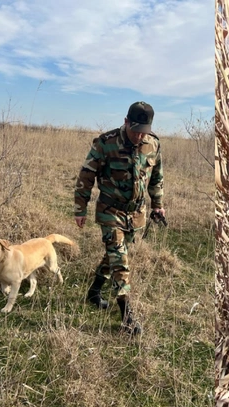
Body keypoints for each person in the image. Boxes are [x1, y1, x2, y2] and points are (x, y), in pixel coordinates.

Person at [74, 101, 165, 335]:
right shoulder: (105, 143)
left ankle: (94, 291)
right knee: (120, 261)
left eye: (143, 130)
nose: (139, 135)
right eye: (135, 130)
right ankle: (126, 317)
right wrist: (80, 208)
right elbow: (87, 175)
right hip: (110, 211)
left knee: (114, 254)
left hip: (135, 214)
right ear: (125, 122)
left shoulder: (153, 143)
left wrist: (158, 206)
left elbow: (156, 177)